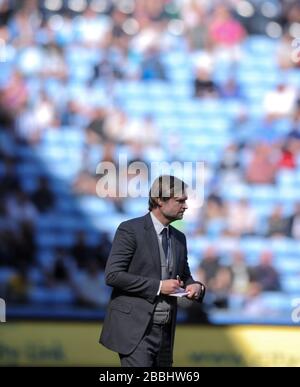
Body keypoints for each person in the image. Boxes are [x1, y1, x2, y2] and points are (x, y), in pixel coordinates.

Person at [99, 175, 205, 367]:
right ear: (159, 200)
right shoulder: (130, 230)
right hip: (136, 331)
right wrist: (158, 286)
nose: (186, 206)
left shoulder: (179, 237)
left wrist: (195, 286)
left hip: (165, 331)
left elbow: (185, 275)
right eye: (180, 200)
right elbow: (113, 275)